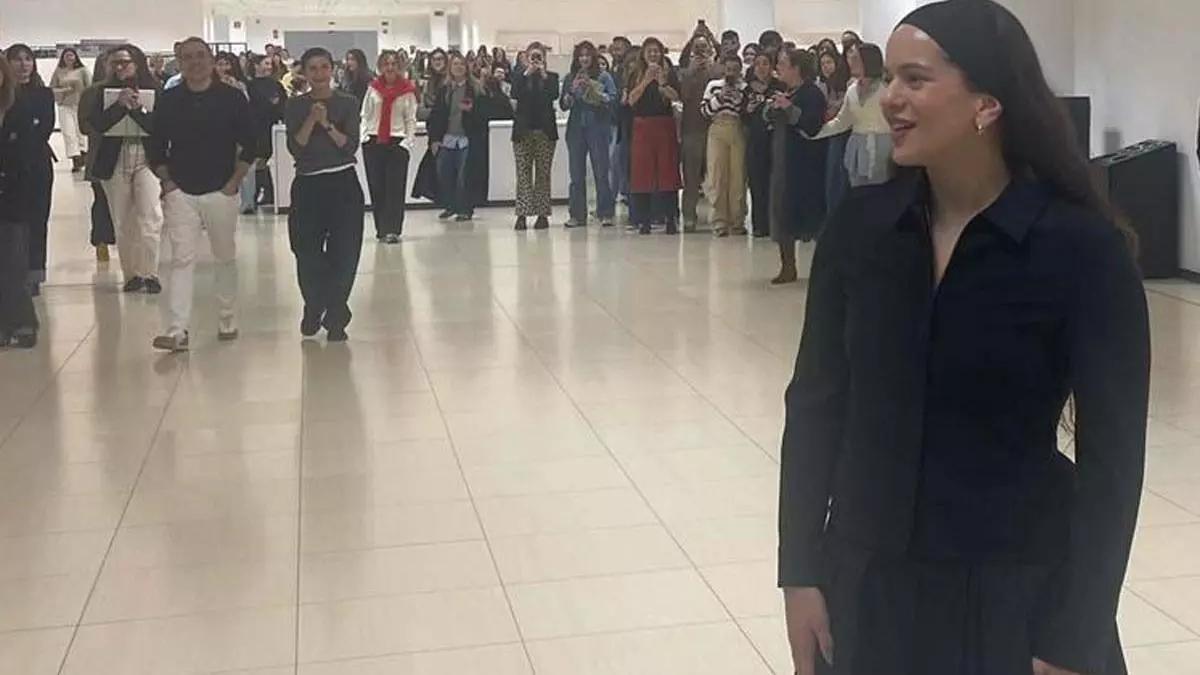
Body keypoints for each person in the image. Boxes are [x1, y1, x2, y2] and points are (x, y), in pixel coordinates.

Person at [780, 3, 1150, 675]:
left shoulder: (1081, 249)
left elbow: (1113, 463)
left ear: (988, 101)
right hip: (868, 586)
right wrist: (799, 572)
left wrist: (1075, 631)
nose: (890, 97)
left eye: (915, 79)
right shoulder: (860, 231)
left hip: (1015, 593)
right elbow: (814, 406)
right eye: (889, 77)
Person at [148, 37, 257, 352]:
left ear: (211, 60)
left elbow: (250, 143)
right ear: (178, 63)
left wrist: (234, 182)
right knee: (181, 260)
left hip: (222, 189)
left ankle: (227, 317)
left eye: (200, 56)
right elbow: (155, 146)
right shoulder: (169, 100)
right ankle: (177, 329)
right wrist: (167, 182)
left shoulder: (232, 98)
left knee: (224, 256)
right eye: (186, 57)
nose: (194, 62)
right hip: (181, 191)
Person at [284, 47, 364, 342]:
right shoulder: (295, 106)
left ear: (332, 70)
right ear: (304, 73)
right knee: (306, 252)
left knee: (345, 252)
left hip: (342, 184)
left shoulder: (348, 102)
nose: (318, 74)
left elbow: (349, 145)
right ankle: (314, 303)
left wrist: (327, 123)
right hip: (308, 185)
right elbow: (296, 147)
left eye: (323, 67)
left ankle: (336, 312)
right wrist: (311, 119)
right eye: (312, 69)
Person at [86, 44, 163, 294]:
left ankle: (150, 272)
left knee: (151, 215)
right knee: (123, 220)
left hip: (146, 158)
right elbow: (95, 125)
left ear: (137, 63)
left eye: (125, 62)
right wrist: (118, 106)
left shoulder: (154, 90)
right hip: (114, 158)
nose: (120, 67)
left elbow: (158, 126)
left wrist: (137, 108)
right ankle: (132, 274)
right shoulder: (100, 93)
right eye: (115, 62)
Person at [766, 49, 826, 284]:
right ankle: (787, 266)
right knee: (782, 211)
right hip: (783, 160)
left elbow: (811, 125)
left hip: (805, 163)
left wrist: (789, 109)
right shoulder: (786, 91)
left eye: (782, 64)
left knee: (810, 214)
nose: (778, 68)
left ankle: (822, 268)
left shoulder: (812, 94)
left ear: (796, 68)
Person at [5, 44, 54, 297]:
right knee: (13, 223)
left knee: (37, 219)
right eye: (17, 60)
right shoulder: (5, 95)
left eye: (28, 59)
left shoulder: (43, 94)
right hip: (8, 168)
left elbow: (42, 129)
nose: (23, 65)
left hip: (36, 166)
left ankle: (34, 273)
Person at [811, 43, 892, 187]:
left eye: (856, 59)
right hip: (857, 149)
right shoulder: (852, 90)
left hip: (883, 149)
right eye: (851, 58)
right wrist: (814, 132)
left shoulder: (886, 91)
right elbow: (842, 122)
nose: (851, 62)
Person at [0, 56, 40, 348]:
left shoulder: (19, 108)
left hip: (13, 195)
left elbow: (28, 155)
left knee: (13, 263)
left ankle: (23, 322)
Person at [361, 49, 418, 244]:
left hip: (396, 142)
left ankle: (393, 229)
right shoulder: (373, 89)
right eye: (386, 63)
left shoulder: (407, 91)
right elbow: (365, 115)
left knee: (395, 188)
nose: (390, 67)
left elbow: (411, 119)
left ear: (399, 66)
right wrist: (364, 137)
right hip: (374, 141)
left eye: (394, 63)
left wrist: (407, 143)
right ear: (381, 66)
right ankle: (381, 229)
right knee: (377, 186)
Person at [627, 38, 681, 235]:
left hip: (664, 124)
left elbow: (676, 96)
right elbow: (631, 100)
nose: (653, 55)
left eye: (656, 51)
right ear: (643, 54)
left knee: (667, 172)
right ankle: (644, 220)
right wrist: (646, 80)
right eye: (649, 51)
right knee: (642, 173)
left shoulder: (669, 72)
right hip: (642, 125)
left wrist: (661, 82)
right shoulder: (635, 73)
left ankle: (670, 218)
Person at [561, 40, 618, 229]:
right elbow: (564, 104)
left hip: (598, 126)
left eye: (587, 55)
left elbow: (612, 99)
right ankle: (577, 215)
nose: (584, 59)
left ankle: (605, 213)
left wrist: (595, 92)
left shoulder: (604, 77)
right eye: (581, 55)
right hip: (576, 127)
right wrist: (572, 90)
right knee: (576, 173)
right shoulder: (570, 77)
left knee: (601, 171)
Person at [427, 52, 487, 222]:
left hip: (467, 139)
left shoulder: (475, 89)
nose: (458, 67)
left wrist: (472, 111)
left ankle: (465, 208)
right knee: (445, 173)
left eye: (461, 64)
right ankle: (450, 205)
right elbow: (437, 115)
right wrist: (435, 139)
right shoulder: (445, 90)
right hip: (447, 138)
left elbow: (485, 113)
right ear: (450, 68)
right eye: (455, 64)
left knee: (464, 175)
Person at [510, 45, 559, 230]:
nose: (536, 60)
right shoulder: (518, 77)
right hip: (523, 132)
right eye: (533, 56)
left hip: (545, 132)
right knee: (523, 173)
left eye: (539, 57)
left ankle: (542, 214)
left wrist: (544, 75)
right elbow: (515, 94)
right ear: (526, 58)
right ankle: (522, 214)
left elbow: (553, 95)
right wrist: (526, 74)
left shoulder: (552, 77)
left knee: (543, 175)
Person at [701, 53, 749, 237]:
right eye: (728, 69)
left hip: (736, 128)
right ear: (723, 69)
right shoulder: (713, 86)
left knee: (738, 176)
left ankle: (737, 221)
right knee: (717, 175)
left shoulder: (744, 88)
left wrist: (737, 98)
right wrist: (720, 97)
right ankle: (719, 221)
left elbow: (745, 113)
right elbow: (705, 111)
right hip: (717, 128)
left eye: (735, 70)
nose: (731, 73)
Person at [679, 34, 723, 232]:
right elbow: (683, 97)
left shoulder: (716, 71)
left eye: (704, 48)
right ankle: (689, 216)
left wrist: (710, 69)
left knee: (716, 176)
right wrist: (691, 73)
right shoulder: (684, 73)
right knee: (691, 178)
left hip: (714, 129)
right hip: (691, 131)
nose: (700, 52)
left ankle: (719, 216)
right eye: (696, 48)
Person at [78, 50, 117, 262]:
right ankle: (101, 241)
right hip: (100, 155)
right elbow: (84, 126)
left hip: (129, 156)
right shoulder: (91, 93)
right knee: (102, 200)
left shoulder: (135, 89)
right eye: (111, 63)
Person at [744, 53, 783, 239]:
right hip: (755, 141)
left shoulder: (779, 87)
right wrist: (748, 110)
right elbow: (742, 116)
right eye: (757, 64)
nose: (761, 67)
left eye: (765, 63)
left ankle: (775, 224)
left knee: (773, 183)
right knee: (757, 183)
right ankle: (759, 225)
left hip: (775, 140)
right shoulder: (747, 89)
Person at [215, 51, 258, 215]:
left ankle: (247, 203)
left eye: (227, 64)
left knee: (245, 166)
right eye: (220, 64)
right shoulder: (207, 86)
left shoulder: (240, 85)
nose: (224, 68)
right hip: (217, 134)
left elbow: (246, 108)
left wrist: (235, 88)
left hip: (238, 132)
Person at [247, 54, 287, 206]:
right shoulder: (250, 85)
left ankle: (271, 192)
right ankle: (257, 192)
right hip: (258, 127)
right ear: (256, 66)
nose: (269, 67)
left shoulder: (277, 85)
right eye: (266, 63)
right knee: (260, 160)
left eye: (270, 64)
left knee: (273, 159)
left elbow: (283, 103)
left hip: (274, 127)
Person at [817, 49, 852, 211]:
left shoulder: (847, 84)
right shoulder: (823, 85)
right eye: (822, 63)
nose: (826, 67)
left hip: (842, 132)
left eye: (829, 62)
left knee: (838, 177)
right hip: (829, 132)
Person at [49, 47, 91, 172]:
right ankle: (75, 158)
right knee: (68, 132)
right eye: (67, 56)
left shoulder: (83, 71)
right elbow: (52, 88)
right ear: (63, 58)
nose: (69, 58)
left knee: (80, 132)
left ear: (76, 57)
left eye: (71, 55)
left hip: (80, 105)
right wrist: (64, 90)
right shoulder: (58, 71)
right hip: (64, 105)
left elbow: (90, 88)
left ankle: (84, 154)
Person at [418, 48, 448, 120]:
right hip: (431, 127)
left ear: (446, 61)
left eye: (440, 59)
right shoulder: (427, 84)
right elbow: (420, 112)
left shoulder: (451, 82)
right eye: (434, 59)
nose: (437, 62)